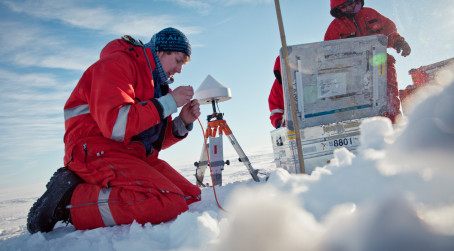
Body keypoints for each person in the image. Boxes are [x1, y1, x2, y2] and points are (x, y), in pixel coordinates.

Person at [27, 27, 202, 233]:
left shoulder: (158, 87)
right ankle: (67, 201)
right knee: (169, 201)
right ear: (161, 51)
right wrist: (169, 103)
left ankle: (98, 188)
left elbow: (150, 142)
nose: (180, 69)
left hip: (130, 154)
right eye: (179, 60)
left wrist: (182, 122)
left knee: (190, 195)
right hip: (93, 150)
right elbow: (117, 126)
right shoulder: (118, 64)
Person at [325, 0, 411, 123]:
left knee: (389, 102)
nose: (348, 8)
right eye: (343, 6)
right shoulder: (334, 28)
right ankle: (372, 135)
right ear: (338, 9)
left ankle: (394, 130)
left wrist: (398, 42)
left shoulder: (370, 14)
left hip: (382, 66)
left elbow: (389, 30)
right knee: (364, 108)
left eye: (350, 3)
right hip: (355, 75)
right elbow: (328, 54)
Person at [268, 55, 285, 128]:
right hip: (292, 129)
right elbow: (275, 111)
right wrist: (279, 123)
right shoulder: (277, 85)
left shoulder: (311, 77)